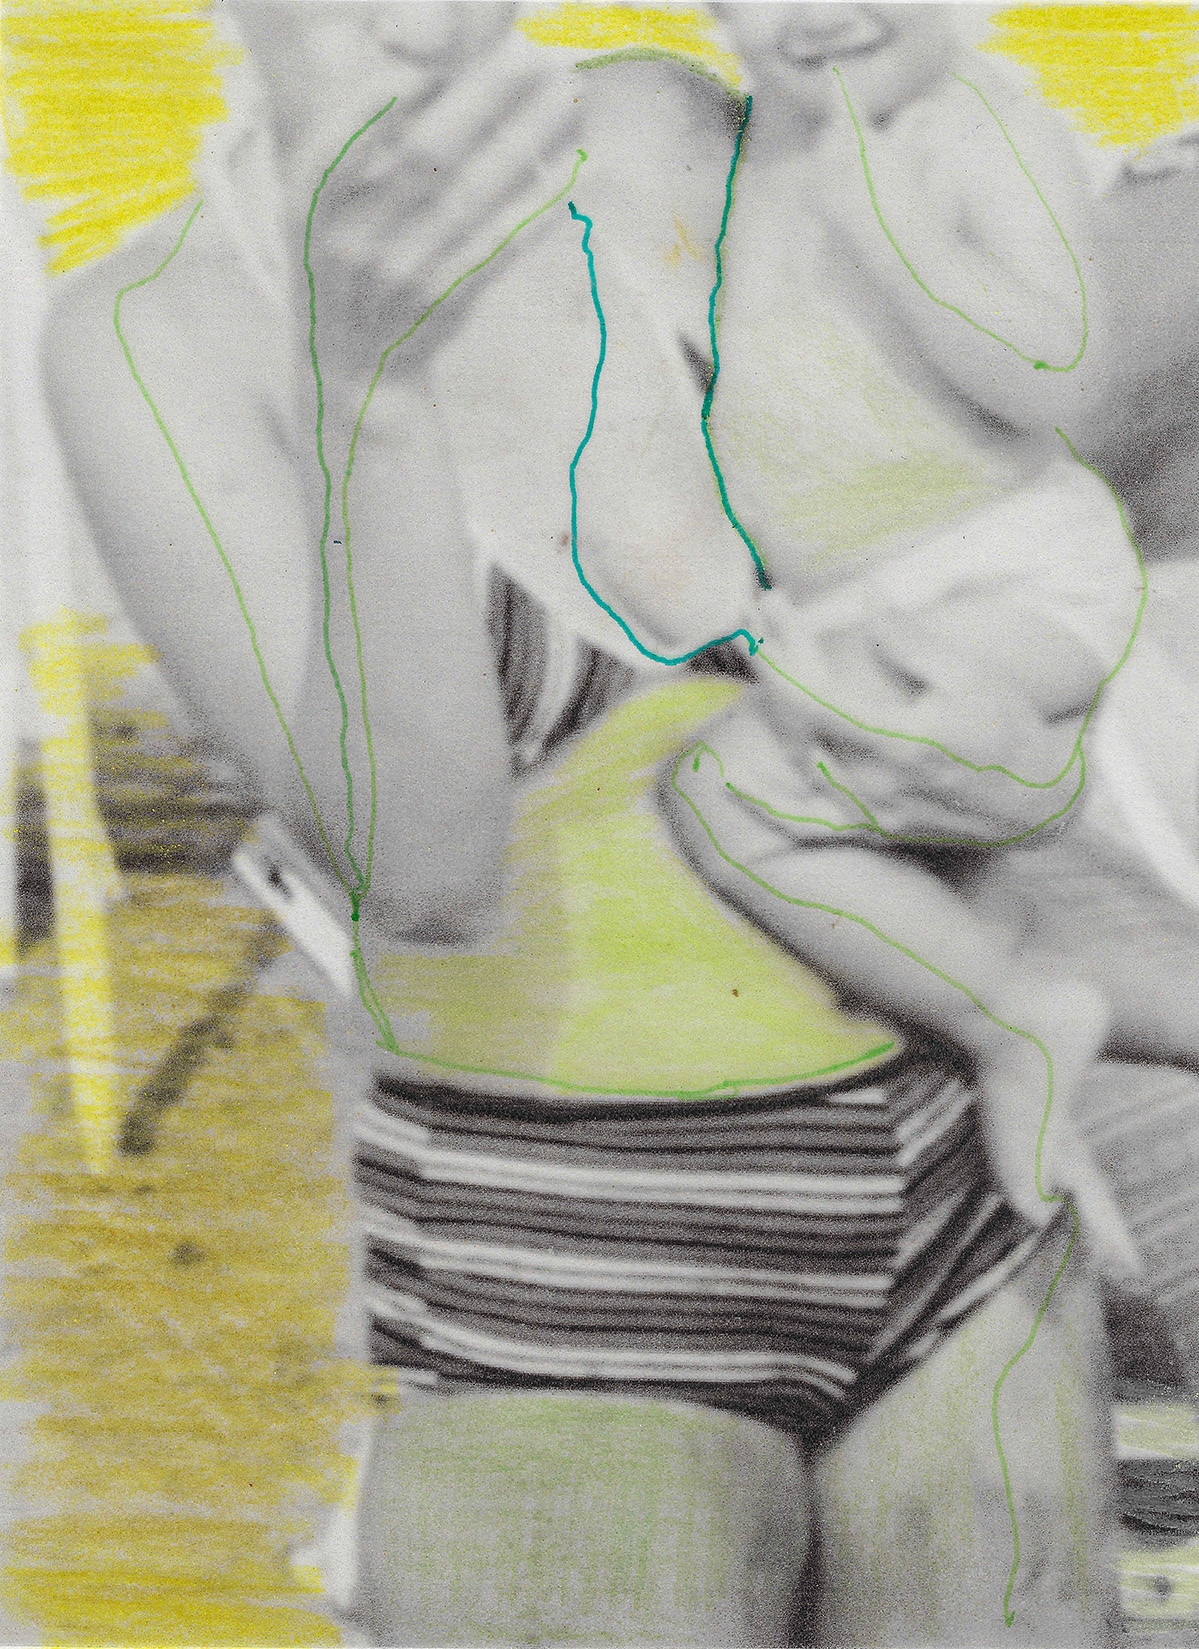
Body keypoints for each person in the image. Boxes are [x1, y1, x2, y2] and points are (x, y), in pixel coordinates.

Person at [40, 5, 1159, 1644]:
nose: (416, 19)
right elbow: (423, 875)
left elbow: (1003, 523)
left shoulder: (661, 134)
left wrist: (1027, 756)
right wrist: (369, 391)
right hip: (578, 1290)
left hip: (965, 1223)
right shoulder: (153, 334)